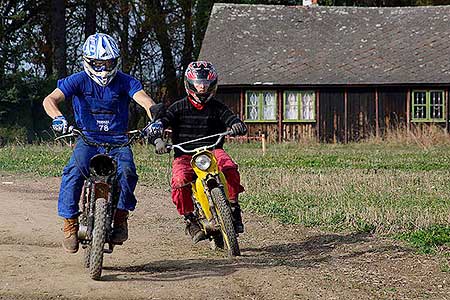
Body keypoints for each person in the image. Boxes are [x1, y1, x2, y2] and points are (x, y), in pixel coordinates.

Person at [43, 33, 156, 253]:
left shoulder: (126, 81)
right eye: (98, 63)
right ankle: (70, 224)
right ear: (87, 61)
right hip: (88, 138)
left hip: (118, 140)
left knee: (128, 172)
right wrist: (58, 118)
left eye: (109, 63)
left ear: (116, 61)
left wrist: (155, 120)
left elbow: (145, 100)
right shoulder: (77, 80)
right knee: (74, 172)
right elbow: (50, 99)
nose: (104, 69)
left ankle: (121, 217)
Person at [149, 61, 247, 243]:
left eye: (206, 85)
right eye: (198, 84)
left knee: (230, 168)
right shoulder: (178, 107)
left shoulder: (217, 107)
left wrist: (236, 124)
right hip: (184, 155)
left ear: (213, 85)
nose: (202, 89)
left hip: (213, 151)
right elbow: (161, 123)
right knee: (179, 181)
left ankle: (233, 207)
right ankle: (190, 219)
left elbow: (230, 117)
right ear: (189, 84)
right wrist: (157, 138)